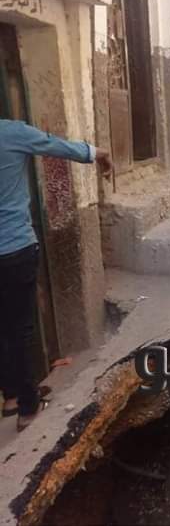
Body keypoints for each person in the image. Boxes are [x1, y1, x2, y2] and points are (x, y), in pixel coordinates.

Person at [0, 120, 113, 431]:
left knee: (4, 326)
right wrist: (98, 153)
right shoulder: (11, 132)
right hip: (15, 248)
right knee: (20, 329)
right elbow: (57, 146)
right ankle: (28, 407)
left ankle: (11, 397)